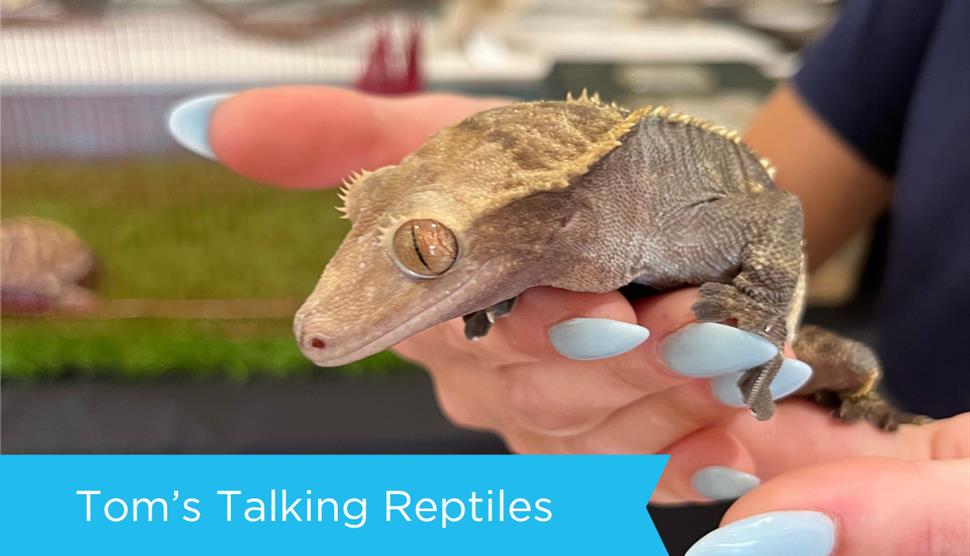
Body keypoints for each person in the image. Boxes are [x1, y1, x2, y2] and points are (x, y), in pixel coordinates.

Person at [167, 1, 969, 553]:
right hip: (730, 421)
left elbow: (778, 216)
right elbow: (796, 179)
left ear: (550, 219)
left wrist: (761, 309)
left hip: (876, 387)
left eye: (425, 250)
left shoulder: (635, 219)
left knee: (848, 367)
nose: (320, 317)